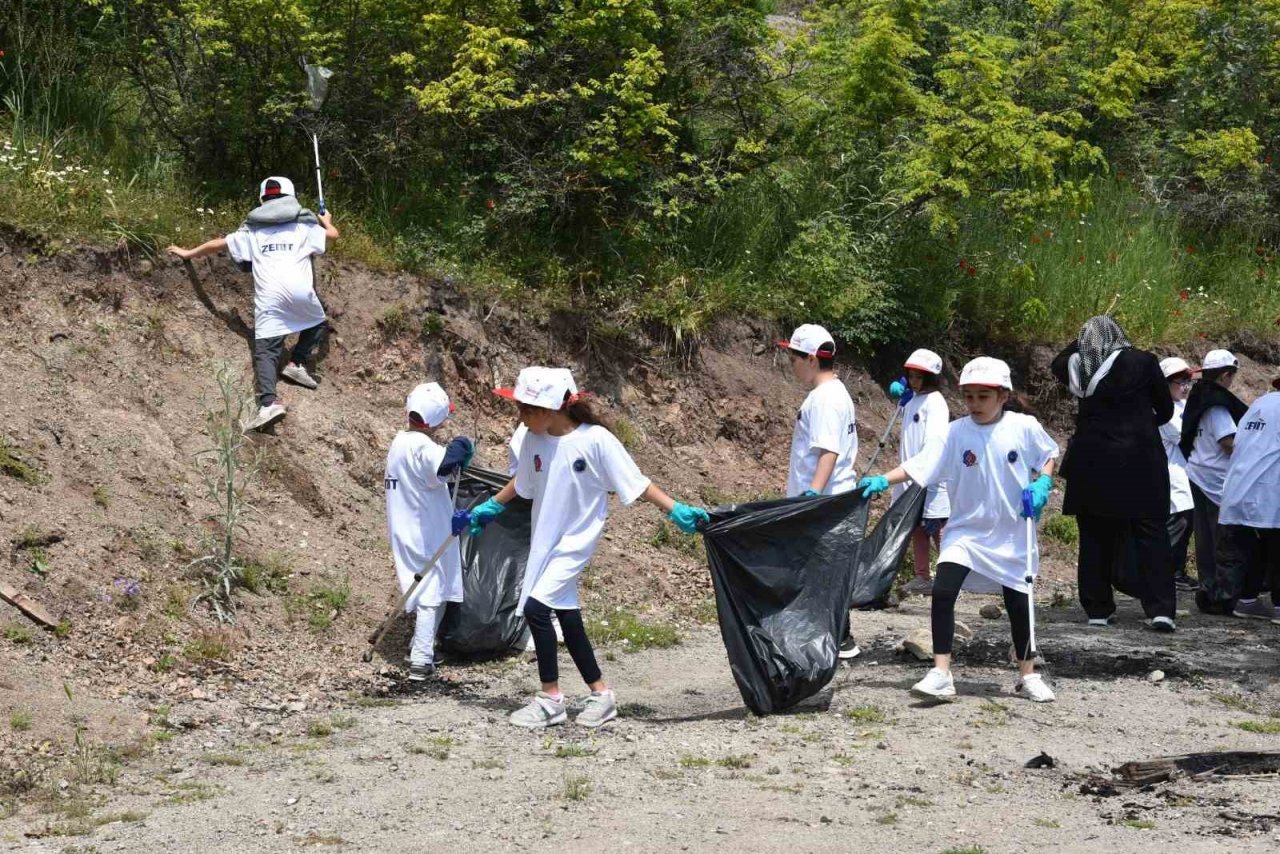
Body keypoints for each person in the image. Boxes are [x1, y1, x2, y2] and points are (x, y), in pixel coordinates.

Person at [468, 367, 710, 729]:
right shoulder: (533, 439)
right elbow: (524, 482)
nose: (520, 417)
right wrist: (491, 506)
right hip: (546, 539)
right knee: (567, 616)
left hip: (576, 540)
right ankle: (601, 695)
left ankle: (550, 698)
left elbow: (636, 482)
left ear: (553, 408)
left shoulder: (596, 441)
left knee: (536, 608)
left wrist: (675, 509)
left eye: (527, 409)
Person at [859, 357, 1059, 703]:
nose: (975, 404)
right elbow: (921, 464)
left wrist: (1042, 483)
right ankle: (941, 672)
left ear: (1003, 395)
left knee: (1018, 602)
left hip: (1011, 534)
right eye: (969, 397)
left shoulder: (1023, 427)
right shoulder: (955, 433)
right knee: (944, 590)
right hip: (965, 531)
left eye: (984, 396)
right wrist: (881, 479)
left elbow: (1048, 455)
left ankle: (1028, 674)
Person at [167, 177, 339, 432]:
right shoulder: (304, 228)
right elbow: (333, 236)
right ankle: (297, 363)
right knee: (318, 322)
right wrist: (327, 221)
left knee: (266, 350)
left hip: (270, 295)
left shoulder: (252, 232)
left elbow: (218, 243)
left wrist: (187, 253)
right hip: (301, 290)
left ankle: (269, 403)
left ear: (262, 201)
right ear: (292, 199)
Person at [1049, 316, 1176, 630]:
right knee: (1152, 535)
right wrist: (1142, 423)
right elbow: (1166, 409)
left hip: (1090, 462)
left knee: (1094, 537)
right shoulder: (1143, 361)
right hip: (1139, 460)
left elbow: (1060, 359)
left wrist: (1084, 337)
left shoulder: (1076, 365)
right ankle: (1160, 609)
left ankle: (1097, 609)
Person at [777, 324, 861, 659]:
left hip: (825, 501)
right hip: (831, 499)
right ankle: (839, 638)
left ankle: (837, 641)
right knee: (823, 573)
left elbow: (828, 451)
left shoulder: (824, 399)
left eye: (793, 357)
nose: (790, 364)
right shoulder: (836, 393)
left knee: (819, 573)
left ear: (811, 358)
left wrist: (812, 496)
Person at [384, 383, 473, 681]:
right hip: (423, 530)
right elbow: (445, 466)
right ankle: (421, 660)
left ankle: (418, 648)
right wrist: (461, 444)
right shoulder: (421, 447)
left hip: (410, 525)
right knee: (430, 589)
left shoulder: (400, 443)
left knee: (438, 586)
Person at [1179, 349, 1250, 615]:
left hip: (1197, 473)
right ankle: (1223, 594)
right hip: (1215, 480)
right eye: (1232, 376)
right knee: (1224, 540)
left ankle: (1208, 588)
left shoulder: (1198, 399)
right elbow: (1227, 442)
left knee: (1205, 538)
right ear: (1225, 375)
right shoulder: (1217, 406)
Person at [1217, 373, 1280, 625]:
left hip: (1239, 488)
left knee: (1256, 549)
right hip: (1269, 491)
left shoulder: (1260, 404)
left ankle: (1248, 600)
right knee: (1275, 548)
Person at [888, 349, 951, 596]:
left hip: (931, 474)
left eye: (918, 377)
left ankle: (950, 575)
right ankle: (922, 576)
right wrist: (902, 395)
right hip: (910, 473)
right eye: (910, 376)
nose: (913, 381)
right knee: (917, 528)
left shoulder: (935, 403)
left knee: (938, 526)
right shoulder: (912, 399)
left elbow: (933, 443)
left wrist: (922, 469)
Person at [1159, 357, 1200, 592]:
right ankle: (1170, 573)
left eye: (1189, 380)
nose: (1186, 386)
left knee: (1185, 523)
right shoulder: (1163, 408)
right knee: (1176, 524)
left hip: (1184, 474)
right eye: (1180, 380)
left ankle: (1177, 571)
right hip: (1171, 474)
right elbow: (1185, 434)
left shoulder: (1183, 405)